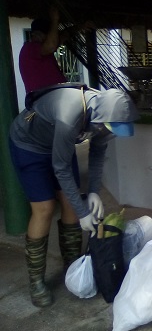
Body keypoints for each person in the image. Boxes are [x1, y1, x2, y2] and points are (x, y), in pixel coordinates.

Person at [9, 84, 139, 307]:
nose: (109, 132)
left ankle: (72, 264)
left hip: (60, 144)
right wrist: (83, 212)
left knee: (70, 202)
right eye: (110, 127)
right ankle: (36, 281)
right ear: (100, 117)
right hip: (29, 146)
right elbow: (60, 167)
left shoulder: (103, 120)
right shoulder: (71, 113)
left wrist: (93, 193)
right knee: (45, 208)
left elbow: (97, 155)